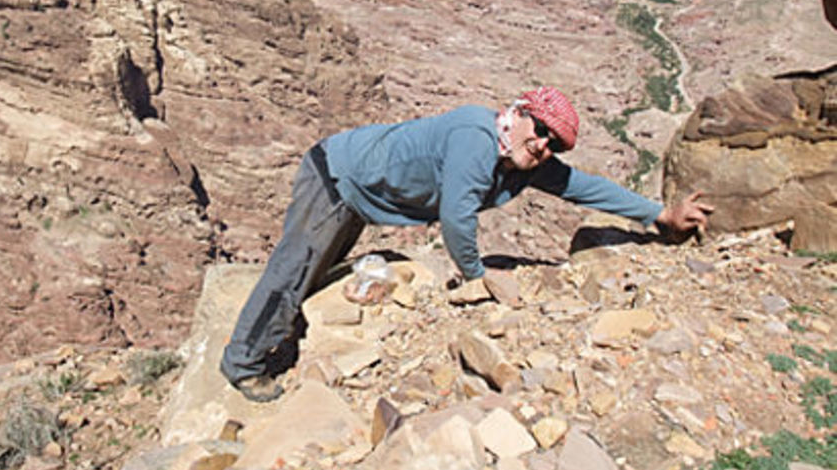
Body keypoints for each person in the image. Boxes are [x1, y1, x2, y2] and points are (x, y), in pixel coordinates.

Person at [220, 87, 713, 402]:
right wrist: (477, 277)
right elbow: (457, 218)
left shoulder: (523, 161)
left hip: (362, 193)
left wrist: (659, 214)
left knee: (314, 270)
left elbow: (586, 187)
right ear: (518, 114)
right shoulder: (478, 140)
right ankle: (243, 364)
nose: (543, 145)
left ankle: (279, 334)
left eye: (554, 144)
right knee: (294, 269)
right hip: (337, 176)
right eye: (540, 130)